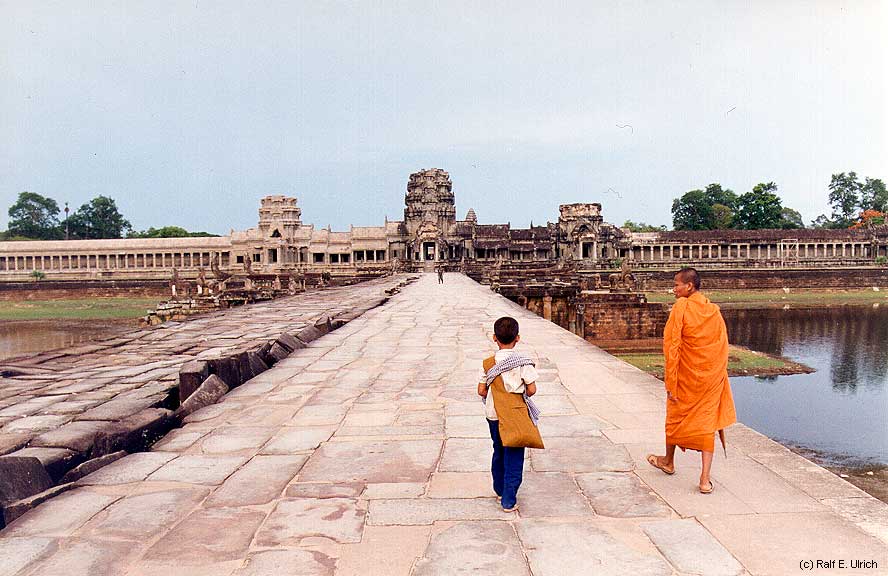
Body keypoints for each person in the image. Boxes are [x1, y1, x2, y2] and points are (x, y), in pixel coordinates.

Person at [647, 267, 736, 494]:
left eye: (677, 285)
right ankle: (704, 480)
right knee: (707, 425)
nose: (673, 289)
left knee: (674, 417)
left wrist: (671, 378)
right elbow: (722, 346)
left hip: (685, 377)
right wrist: (716, 372)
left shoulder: (682, 307)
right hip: (709, 378)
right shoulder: (713, 310)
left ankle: (668, 461)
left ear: (689, 286)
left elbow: (672, 345)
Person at [477, 316, 540, 512]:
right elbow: (532, 389)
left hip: (493, 414)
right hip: (515, 415)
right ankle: (508, 499)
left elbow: (481, 390)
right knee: (514, 454)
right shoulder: (523, 363)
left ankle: (499, 489)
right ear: (518, 338)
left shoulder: (488, 363)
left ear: (494, 338)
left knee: (499, 449)